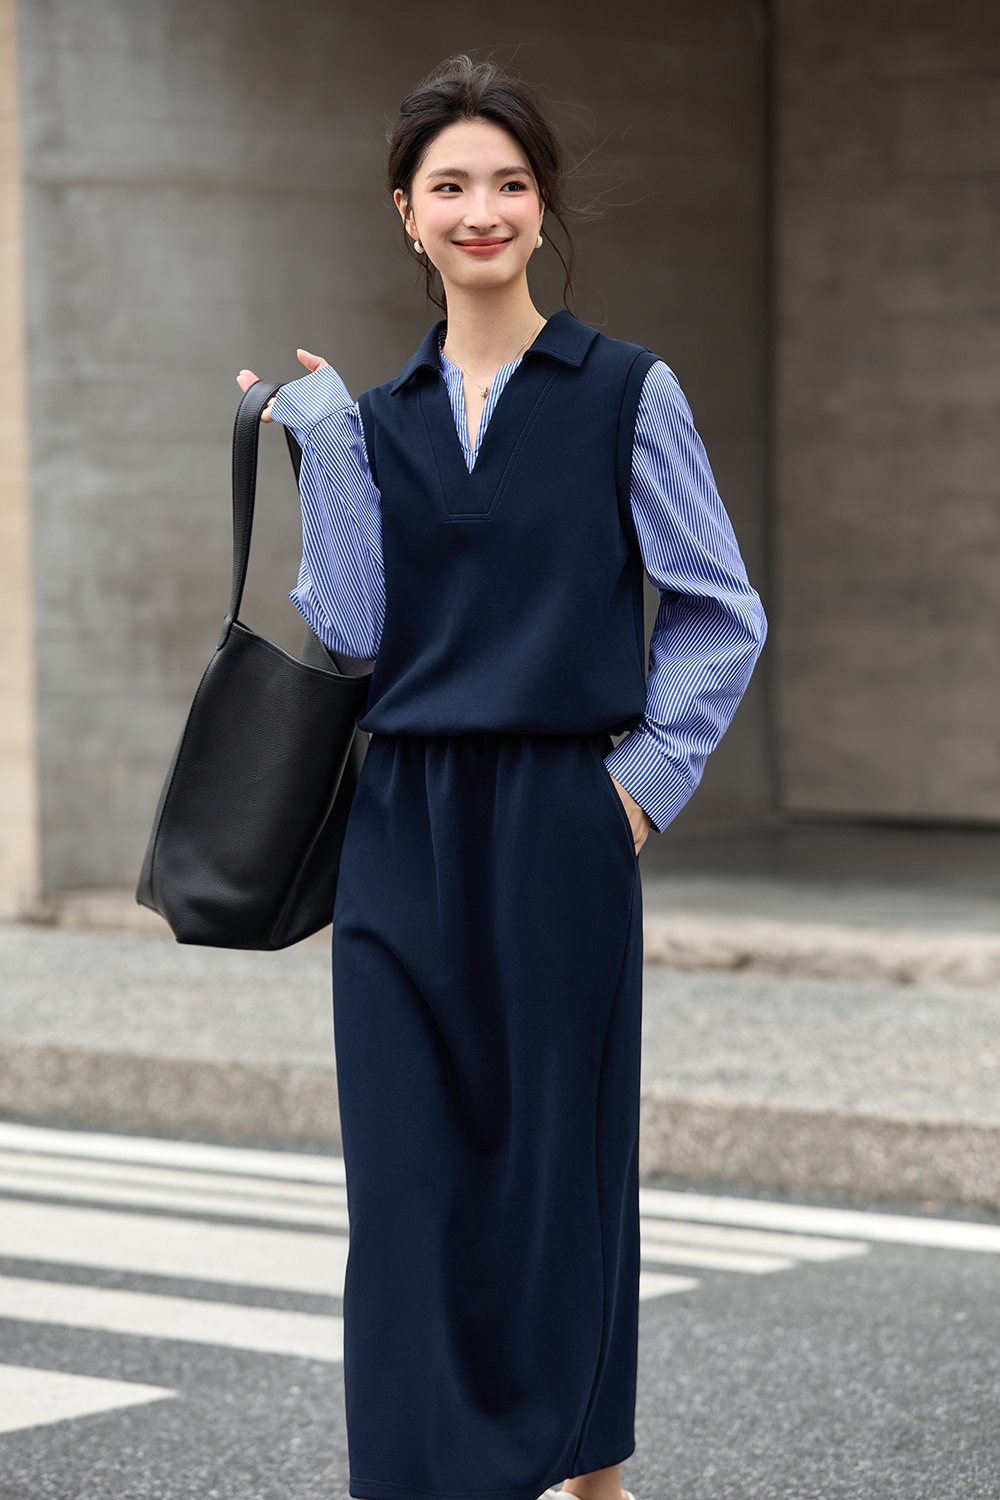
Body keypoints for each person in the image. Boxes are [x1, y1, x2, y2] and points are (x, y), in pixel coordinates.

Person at [237, 54, 766, 1500]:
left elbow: (721, 607)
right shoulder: (380, 416)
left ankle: (590, 1474)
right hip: (400, 826)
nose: (482, 210)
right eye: (450, 186)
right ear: (405, 214)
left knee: (556, 1177)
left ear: (544, 210)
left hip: (560, 818)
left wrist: (642, 785)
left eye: (509, 183)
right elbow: (351, 628)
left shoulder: (624, 393)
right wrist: (330, 455)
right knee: (404, 1194)